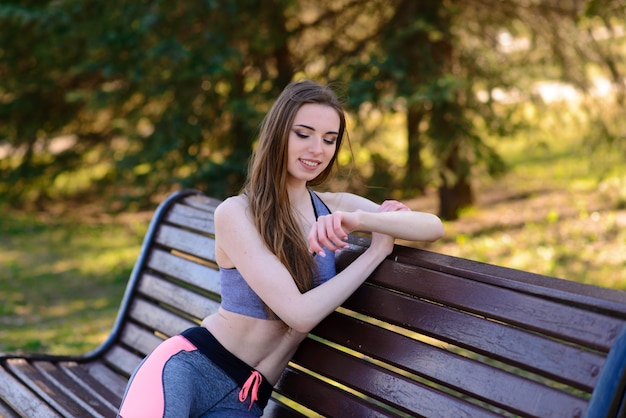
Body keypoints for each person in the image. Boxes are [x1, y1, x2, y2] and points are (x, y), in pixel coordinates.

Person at [117, 79, 444, 417]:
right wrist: (376, 252)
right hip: (189, 371)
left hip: (247, 399)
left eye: (329, 139)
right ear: (278, 135)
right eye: (303, 134)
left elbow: (432, 227)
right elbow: (299, 315)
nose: (317, 149)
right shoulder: (236, 213)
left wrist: (361, 219)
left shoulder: (331, 207)